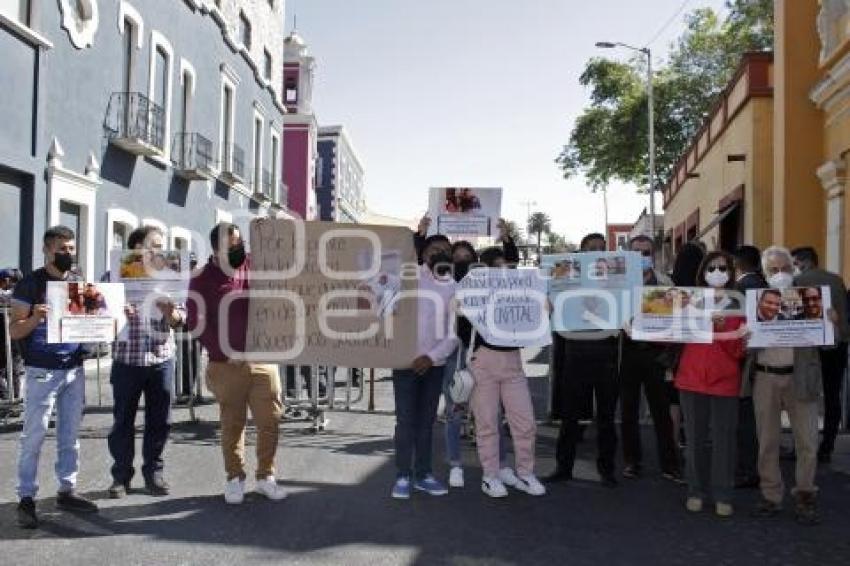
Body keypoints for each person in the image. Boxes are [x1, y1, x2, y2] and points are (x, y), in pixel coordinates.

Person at [186, 222, 286, 504]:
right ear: (216, 248)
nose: (238, 249)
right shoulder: (202, 277)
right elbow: (197, 322)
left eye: (240, 243)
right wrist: (223, 350)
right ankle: (234, 478)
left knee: (270, 421)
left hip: (262, 360)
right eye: (231, 246)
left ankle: (266, 476)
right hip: (225, 363)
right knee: (233, 423)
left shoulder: (255, 266)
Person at [10, 226, 98, 529]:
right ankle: (26, 497)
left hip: (74, 369)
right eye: (62, 248)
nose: (68, 254)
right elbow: (13, 330)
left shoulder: (78, 283)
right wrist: (35, 317)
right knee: (33, 437)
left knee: (69, 436)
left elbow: (92, 323)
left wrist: (110, 318)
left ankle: (66, 489)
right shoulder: (30, 285)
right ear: (47, 250)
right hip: (41, 371)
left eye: (71, 248)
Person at [746, 246, 822, 525]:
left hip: (800, 377)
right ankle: (770, 495)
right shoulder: (755, 302)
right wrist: (746, 337)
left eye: (785, 269)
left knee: (807, 441)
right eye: (773, 270)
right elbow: (744, 348)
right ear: (765, 274)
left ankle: (805, 496)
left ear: (795, 269)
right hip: (765, 376)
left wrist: (833, 324)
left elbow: (833, 339)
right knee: (767, 441)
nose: (780, 275)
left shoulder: (811, 298)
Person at [106, 226, 183, 498]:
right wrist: (117, 312)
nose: (158, 251)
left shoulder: (170, 276)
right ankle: (121, 476)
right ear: (136, 246)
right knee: (122, 420)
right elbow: (101, 317)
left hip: (160, 358)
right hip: (127, 359)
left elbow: (180, 320)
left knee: (159, 420)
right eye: (154, 245)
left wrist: (171, 311)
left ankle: (154, 473)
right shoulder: (113, 276)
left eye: (161, 246)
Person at [463, 246, 546, 498]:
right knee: (487, 423)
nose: (503, 272)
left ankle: (525, 472)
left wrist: (543, 305)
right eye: (497, 267)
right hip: (483, 362)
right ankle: (490, 476)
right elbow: (457, 311)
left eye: (506, 267)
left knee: (525, 422)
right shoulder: (473, 289)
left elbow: (543, 310)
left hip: (512, 361)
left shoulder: (520, 290)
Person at [675, 251, 746, 517]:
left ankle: (723, 493)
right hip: (691, 379)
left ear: (731, 273)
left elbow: (738, 351)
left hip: (724, 380)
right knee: (694, 439)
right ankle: (695, 490)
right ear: (703, 272)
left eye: (723, 268)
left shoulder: (738, 304)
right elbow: (669, 332)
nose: (717, 272)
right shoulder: (689, 300)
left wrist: (721, 328)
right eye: (712, 267)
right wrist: (637, 325)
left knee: (724, 440)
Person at [547, 232, 619, 487]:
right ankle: (563, 468)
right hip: (575, 353)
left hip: (607, 354)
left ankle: (607, 469)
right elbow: (552, 304)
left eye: (601, 248)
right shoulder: (569, 280)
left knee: (607, 418)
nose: (596, 251)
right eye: (591, 248)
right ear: (581, 252)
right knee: (570, 417)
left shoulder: (616, 281)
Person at [443, 234, 513, 489]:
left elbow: (511, 274)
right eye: (456, 257)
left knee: (492, 414)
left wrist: (508, 240)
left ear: (476, 261)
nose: (462, 261)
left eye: (467, 257)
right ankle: (455, 465)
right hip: (455, 352)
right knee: (454, 412)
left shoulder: (486, 282)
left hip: (484, 352)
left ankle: (501, 465)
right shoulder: (446, 283)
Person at [391, 234, 457, 499]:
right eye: (434, 249)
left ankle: (424, 474)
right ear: (424, 252)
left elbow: (454, 334)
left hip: (435, 365)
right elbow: (386, 308)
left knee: (426, 422)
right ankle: (403, 476)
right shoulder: (407, 277)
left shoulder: (453, 286)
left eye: (444, 250)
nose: (438, 253)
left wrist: (430, 357)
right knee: (405, 422)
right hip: (404, 363)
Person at [620, 235, 682, 482]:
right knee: (628, 411)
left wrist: (671, 357)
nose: (642, 257)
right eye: (637, 252)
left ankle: (670, 464)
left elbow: (677, 320)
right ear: (628, 254)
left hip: (657, 355)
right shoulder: (620, 283)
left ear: (653, 255)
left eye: (646, 253)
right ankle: (632, 462)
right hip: (628, 353)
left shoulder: (666, 282)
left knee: (662, 413)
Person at [791, 246, 849, 463]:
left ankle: (804, 447)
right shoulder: (837, 279)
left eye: (795, 264)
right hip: (838, 343)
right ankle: (828, 446)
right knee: (833, 395)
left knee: (806, 395)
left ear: (803, 262)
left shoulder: (799, 281)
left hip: (810, 347)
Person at [667, 241, 707, 455]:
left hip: (674, 348)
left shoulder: (671, 285)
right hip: (699, 347)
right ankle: (694, 441)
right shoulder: (704, 288)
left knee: (674, 398)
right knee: (696, 398)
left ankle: (673, 441)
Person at [733, 245, 767, 489]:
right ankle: (757, 467)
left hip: (745, 359)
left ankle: (748, 469)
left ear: (737, 263)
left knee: (744, 417)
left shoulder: (742, 288)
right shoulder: (764, 285)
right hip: (763, 359)